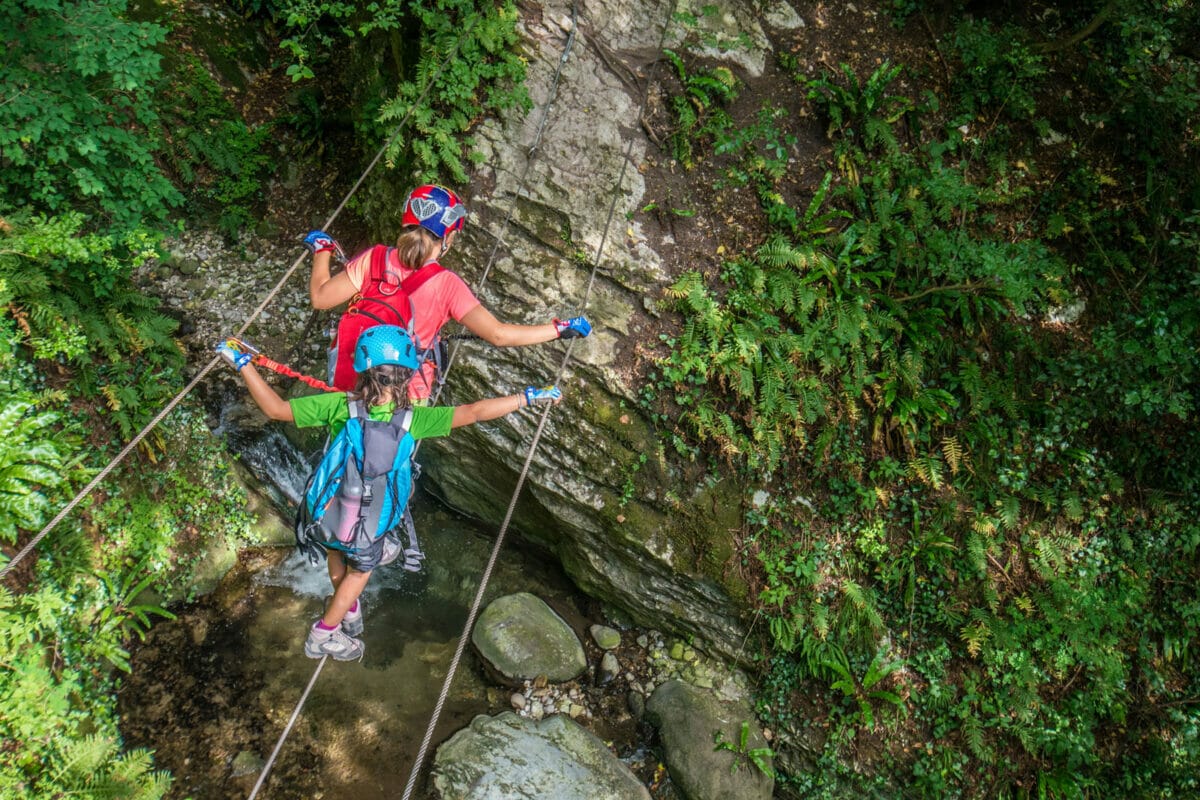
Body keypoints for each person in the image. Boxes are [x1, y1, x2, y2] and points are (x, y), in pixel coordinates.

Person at [215, 326, 563, 661]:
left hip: (326, 508)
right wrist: (526, 397)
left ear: (362, 370)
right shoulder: (415, 420)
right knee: (360, 571)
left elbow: (275, 409)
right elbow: (473, 412)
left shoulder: (341, 406)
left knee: (337, 550)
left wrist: (244, 364)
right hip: (369, 522)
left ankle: (347, 608)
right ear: (409, 375)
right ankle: (324, 634)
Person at [303, 183, 592, 398]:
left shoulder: (375, 258)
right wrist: (559, 328)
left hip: (351, 382)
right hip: (407, 395)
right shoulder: (447, 285)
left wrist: (322, 251)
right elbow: (499, 335)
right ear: (449, 238)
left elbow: (320, 298)